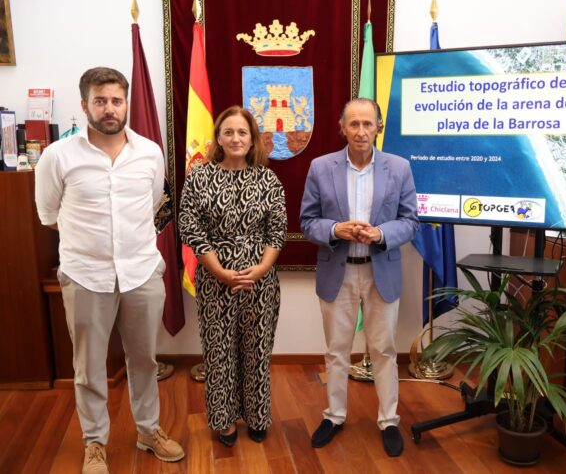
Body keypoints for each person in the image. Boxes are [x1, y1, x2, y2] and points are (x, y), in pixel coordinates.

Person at [34, 67, 184, 474]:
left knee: (144, 360)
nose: (110, 109)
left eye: (117, 100)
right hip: (85, 276)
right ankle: (95, 443)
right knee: (88, 367)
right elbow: (49, 214)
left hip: (141, 272)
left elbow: (153, 204)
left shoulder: (150, 152)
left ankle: (148, 430)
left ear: (126, 103)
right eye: (100, 100)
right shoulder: (57, 156)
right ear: (84, 105)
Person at [299, 98, 419, 457]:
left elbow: (410, 221)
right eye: (354, 124)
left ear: (378, 127)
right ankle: (334, 416)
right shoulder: (321, 168)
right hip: (339, 272)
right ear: (342, 128)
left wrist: (380, 234)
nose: (361, 131)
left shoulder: (399, 167)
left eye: (368, 124)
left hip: (380, 269)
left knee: (383, 350)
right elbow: (307, 222)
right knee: (337, 351)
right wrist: (337, 228)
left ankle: (389, 420)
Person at [179, 105, 287, 447]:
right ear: (218, 138)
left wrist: (262, 268)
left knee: (257, 351)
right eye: (229, 132)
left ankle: (257, 417)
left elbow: (277, 231)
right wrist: (221, 272)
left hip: (261, 282)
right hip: (215, 281)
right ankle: (223, 421)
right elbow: (190, 228)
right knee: (219, 352)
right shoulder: (199, 177)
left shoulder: (268, 179)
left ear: (252, 138)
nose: (236, 138)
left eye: (242, 132)